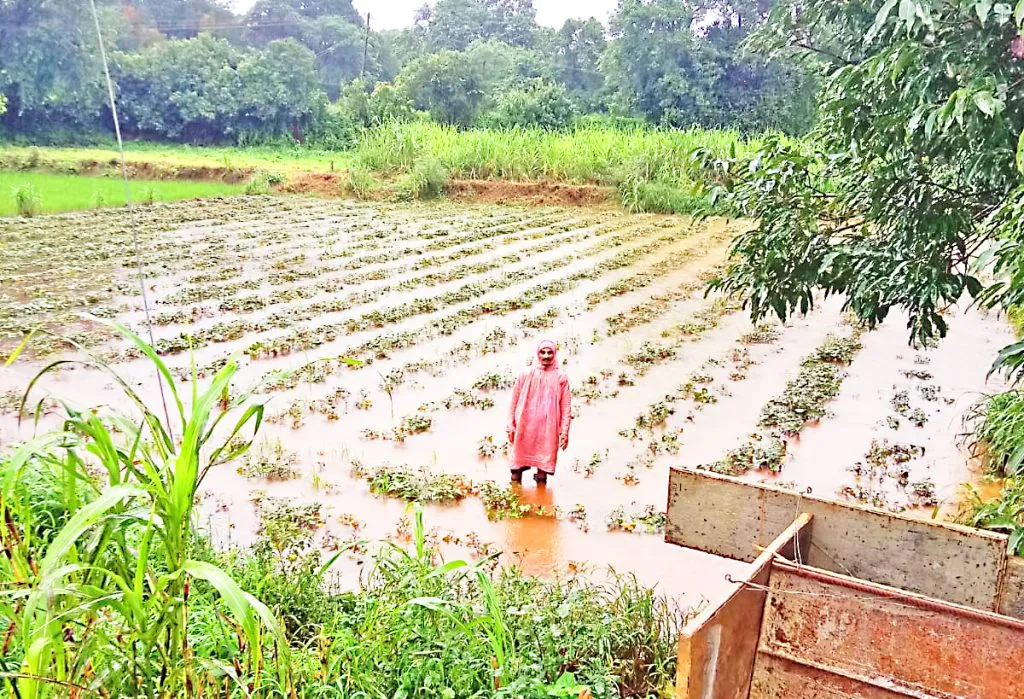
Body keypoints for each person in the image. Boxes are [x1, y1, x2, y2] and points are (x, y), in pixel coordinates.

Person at [507, 339, 572, 483]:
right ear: (538, 354)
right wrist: (510, 424)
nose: (546, 356)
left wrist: (564, 431)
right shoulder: (525, 374)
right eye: (543, 352)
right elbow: (514, 401)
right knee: (516, 471)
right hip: (524, 425)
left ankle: (541, 503)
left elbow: (566, 407)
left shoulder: (561, 377)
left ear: (554, 355)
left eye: (550, 353)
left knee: (542, 473)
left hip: (547, 429)